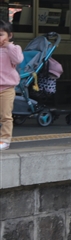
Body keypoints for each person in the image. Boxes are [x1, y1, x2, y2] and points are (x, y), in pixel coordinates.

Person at [0, 20, 24, 151]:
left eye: (1, 35)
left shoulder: (14, 49)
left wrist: (9, 46)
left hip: (6, 88)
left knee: (5, 115)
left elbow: (18, 59)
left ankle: (5, 140)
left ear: (9, 35)